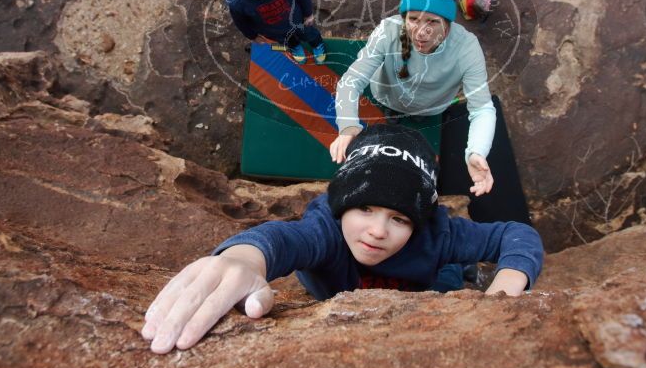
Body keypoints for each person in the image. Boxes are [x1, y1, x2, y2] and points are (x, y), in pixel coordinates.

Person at [142, 124, 543, 354]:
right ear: (341, 207)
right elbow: (283, 240)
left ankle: (466, 271)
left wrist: (506, 287)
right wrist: (244, 260)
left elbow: (517, 233)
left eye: (399, 218)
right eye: (364, 208)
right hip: (342, 309)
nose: (377, 230)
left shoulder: (439, 235)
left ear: (419, 223)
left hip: (430, 290)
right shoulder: (327, 230)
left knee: (454, 276)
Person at [331, 0, 529, 225]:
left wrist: (476, 152)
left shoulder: (467, 48)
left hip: (431, 107)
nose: (420, 32)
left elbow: (481, 108)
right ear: (404, 17)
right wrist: (347, 126)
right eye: (413, 19)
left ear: (447, 23)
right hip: (385, 97)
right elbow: (351, 80)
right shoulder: (388, 31)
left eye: (432, 22)